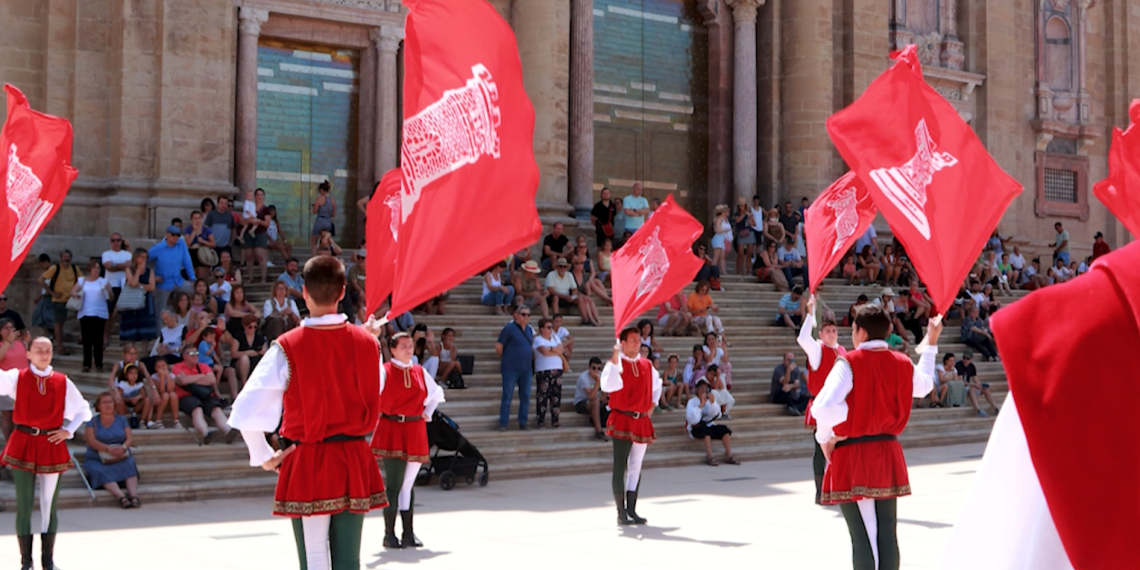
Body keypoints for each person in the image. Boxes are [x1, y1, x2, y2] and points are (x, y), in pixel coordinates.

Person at [230, 255, 388, 569]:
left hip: (309, 457)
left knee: (315, 558)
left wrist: (263, 454)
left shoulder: (287, 346)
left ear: (303, 292)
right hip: (353, 457)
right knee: (348, 559)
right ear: (343, 292)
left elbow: (245, 408)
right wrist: (366, 339)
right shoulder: (368, 345)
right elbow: (376, 388)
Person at [812, 306, 942, 570]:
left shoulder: (849, 362)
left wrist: (826, 437)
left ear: (860, 332)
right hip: (887, 451)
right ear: (889, 330)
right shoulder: (902, 363)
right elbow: (926, 384)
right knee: (885, 535)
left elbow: (823, 407)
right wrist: (931, 343)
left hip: (855, 452)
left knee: (862, 537)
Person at [0, 337, 92, 570]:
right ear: (28, 354)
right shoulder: (17, 377)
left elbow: (83, 410)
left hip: (51, 443)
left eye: (48, 350)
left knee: (48, 503)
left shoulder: (62, 381)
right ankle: (26, 562)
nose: (43, 354)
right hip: (23, 442)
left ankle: (47, 560)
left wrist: (68, 431)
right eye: (38, 350)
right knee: (24, 503)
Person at [372, 331, 444, 550]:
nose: (408, 349)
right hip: (392, 428)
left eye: (410, 345)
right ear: (392, 349)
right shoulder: (385, 371)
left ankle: (408, 533)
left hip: (414, 427)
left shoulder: (419, 371)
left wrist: (428, 412)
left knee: (408, 484)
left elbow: (436, 393)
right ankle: (389, 533)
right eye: (403, 346)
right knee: (394, 483)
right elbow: (372, 391)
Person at [601, 327, 662, 526]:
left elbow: (656, 387)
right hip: (623, 418)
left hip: (641, 419)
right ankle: (621, 512)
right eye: (633, 340)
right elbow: (608, 386)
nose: (637, 343)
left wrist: (649, 409)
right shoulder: (615, 364)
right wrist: (615, 355)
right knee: (620, 465)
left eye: (638, 340)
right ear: (623, 343)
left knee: (636, 466)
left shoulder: (647, 364)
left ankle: (632, 509)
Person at [797, 296, 848, 504]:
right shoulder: (818, 349)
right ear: (820, 334)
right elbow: (802, 339)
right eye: (827, 331)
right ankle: (821, 490)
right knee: (821, 445)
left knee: (841, 446)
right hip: (824, 404)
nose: (831, 333)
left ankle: (838, 486)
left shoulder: (842, 350)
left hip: (841, 405)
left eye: (834, 330)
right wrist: (810, 314)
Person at [84, 392, 142, 508]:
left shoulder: (121, 420)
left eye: (110, 402)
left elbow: (129, 438)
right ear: (98, 405)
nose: (108, 405)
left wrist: (123, 447)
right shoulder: (92, 422)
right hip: (98, 457)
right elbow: (91, 440)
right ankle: (121, 497)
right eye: (104, 402)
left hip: (119, 454)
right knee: (99, 470)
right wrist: (107, 449)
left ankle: (134, 496)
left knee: (129, 463)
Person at [172, 348, 238, 445]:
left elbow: (212, 380)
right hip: (187, 396)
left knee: (216, 409)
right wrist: (202, 376)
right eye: (191, 353)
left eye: (196, 353)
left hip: (204, 394)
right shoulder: (177, 367)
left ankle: (228, 431)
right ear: (184, 356)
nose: (195, 355)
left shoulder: (203, 366)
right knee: (197, 410)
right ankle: (206, 433)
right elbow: (181, 381)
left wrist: (189, 379)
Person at [148, 225, 196, 333]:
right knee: (160, 311)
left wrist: (193, 279)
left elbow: (187, 261)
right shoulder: (157, 248)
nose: (175, 238)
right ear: (167, 234)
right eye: (173, 235)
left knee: (198, 289)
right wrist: (152, 277)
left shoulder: (181, 244)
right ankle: (159, 335)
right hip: (163, 284)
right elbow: (142, 261)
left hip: (178, 281)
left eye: (178, 235)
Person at [496, 304, 535, 431]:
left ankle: (523, 422)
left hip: (526, 368)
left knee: (525, 396)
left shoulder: (529, 330)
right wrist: (506, 359)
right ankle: (503, 423)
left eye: (528, 315)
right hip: (511, 368)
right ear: (516, 315)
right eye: (523, 314)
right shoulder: (509, 328)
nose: (526, 317)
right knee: (507, 396)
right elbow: (499, 346)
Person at [72, 259, 113, 373]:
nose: (97, 270)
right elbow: (72, 291)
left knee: (98, 340)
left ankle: (99, 364)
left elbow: (111, 297)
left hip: (99, 313)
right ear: (90, 269)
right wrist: (75, 294)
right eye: (95, 267)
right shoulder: (82, 281)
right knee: (87, 340)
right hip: (85, 313)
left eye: (98, 268)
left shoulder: (103, 281)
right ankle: (87, 364)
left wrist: (108, 291)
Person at [686, 377, 738, 466]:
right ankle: (710, 456)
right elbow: (693, 420)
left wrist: (713, 403)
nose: (704, 390)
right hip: (696, 427)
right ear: (697, 389)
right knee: (705, 431)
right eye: (701, 387)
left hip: (709, 425)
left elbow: (716, 414)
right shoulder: (691, 402)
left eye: (706, 388)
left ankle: (729, 455)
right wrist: (700, 406)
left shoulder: (710, 401)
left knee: (724, 429)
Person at [41, 249, 78, 355]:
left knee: (81, 317)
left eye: (68, 256)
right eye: (64, 256)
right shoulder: (55, 268)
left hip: (72, 300)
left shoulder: (75, 269)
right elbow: (40, 279)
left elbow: (81, 281)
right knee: (59, 324)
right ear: (60, 257)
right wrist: (52, 293)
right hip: (58, 300)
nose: (66, 258)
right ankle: (60, 346)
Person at [546, 258, 601, 326]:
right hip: (555, 297)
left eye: (564, 267)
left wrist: (573, 296)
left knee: (580, 297)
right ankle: (556, 318)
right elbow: (551, 290)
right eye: (560, 266)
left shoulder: (569, 275)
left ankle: (585, 320)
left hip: (567, 297)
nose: (563, 268)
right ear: (557, 267)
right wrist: (565, 297)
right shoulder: (551, 275)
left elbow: (575, 289)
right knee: (555, 298)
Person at [532, 318, 566, 428]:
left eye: (551, 327)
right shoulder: (538, 339)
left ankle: (555, 420)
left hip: (557, 369)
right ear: (542, 329)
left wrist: (551, 349)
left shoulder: (555, 338)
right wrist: (553, 350)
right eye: (548, 327)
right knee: (543, 396)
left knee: (556, 396)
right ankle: (540, 420)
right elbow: (544, 351)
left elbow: (561, 350)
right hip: (543, 370)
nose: (551, 329)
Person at [119, 249, 157, 344]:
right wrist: (138, 271)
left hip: (145, 302)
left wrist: (139, 286)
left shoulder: (149, 271)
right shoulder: (129, 269)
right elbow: (132, 282)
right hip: (131, 302)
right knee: (130, 334)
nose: (144, 260)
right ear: (136, 258)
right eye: (142, 257)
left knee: (145, 334)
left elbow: (152, 287)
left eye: (146, 257)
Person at [0, 319, 29, 440]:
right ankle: (8, 444)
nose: (9, 330)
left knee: (22, 415)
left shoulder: (20, 343)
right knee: (7, 415)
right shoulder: (2, 344)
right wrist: (7, 341)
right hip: (5, 384)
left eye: (11, 327)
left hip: (22, 383)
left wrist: (28, 342)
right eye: (6, 328)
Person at [102, 233, 133, 343]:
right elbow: (109, 267)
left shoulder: (127, 254)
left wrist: (116, 265)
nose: (116, 242)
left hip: (124, 285)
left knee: (123, 313)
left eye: (118, 240)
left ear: (121, 241)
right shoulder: (106, 253)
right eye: (113, 240)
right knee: (109, 313)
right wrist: (123, 266)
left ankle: (123, 336)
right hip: (111, 286)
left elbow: (129, 264)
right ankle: (106, 336)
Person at [956, 350, 1001, 418]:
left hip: (968, 386)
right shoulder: (958, 365)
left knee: (985, 389)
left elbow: (976, 379)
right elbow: (960, 382)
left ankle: (996, 408)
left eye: (967, 358)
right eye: (964, 357)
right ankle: (978, 410)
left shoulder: (971, 366)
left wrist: (980, 385)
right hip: (960, 388)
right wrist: (974, 385)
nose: (965, 360)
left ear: (971, 359)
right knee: (972, 389)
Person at [575, 357, 609, 441]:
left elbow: (604, 395)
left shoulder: (602, 375)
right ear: (589, 368)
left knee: (611, 402)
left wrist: (601, 399)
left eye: (598, 368)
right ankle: (599, 431)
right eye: (594, 368)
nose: (596, 370)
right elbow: (591, 396)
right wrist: (598, 381)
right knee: (595, 402)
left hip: (596, 400)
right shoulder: (584, 377)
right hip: (582, 402)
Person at [771, 352, 811, 416]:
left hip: (793, 395)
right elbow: (785, 382)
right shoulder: (778, 369)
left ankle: (796, 408)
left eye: (792, 360)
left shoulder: (796, 370)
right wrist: (788, 371)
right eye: (788, 360)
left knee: (809, 398)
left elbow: (797, 384)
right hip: (779, 394)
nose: (790, 362)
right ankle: (791, 407)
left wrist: (790, 386)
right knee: (786, 389)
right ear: (784, 360)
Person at [185, 210, 218, 280]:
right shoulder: (188, 229)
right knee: (191, 278)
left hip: (203, 254)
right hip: (192, 253)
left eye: (199, 218)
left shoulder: (207, 230)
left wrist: (203, 241)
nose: (197, 220)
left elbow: (213, 244)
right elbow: (187, 243)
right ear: (192, 219)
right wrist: (194, 231)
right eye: (195, 218)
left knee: (202, 278)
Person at [310, 180, 337, 252]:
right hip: (328, 222)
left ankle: (314, 258)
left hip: (320, 221)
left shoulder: (319, 199)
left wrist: (315, 206)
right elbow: (333, 214)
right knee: (326, 241)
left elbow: (315, 211)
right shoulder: (332, 200)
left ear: (322, 190)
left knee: (314, 242)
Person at [733, 198, 757, 276]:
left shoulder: (749, 214)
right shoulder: (737, 214)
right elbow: (737, 220)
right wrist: (744, 214)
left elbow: (754, 224)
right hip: (741, 234)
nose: (741, 207)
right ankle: (739, 271)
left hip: (749, 233)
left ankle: (748, 270)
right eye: (740, 205)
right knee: (740, 254)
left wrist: (750, 221)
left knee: (749, 254)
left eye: (742, 205)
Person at [710, 204, 732, 278]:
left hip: (721, 239)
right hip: (718, 239)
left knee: (722, 256)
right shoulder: (718, 220)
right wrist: (725, 230)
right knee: (716, 257)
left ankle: (723, 271)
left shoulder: (721, 219)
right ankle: (712, 273)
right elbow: (717, 230)